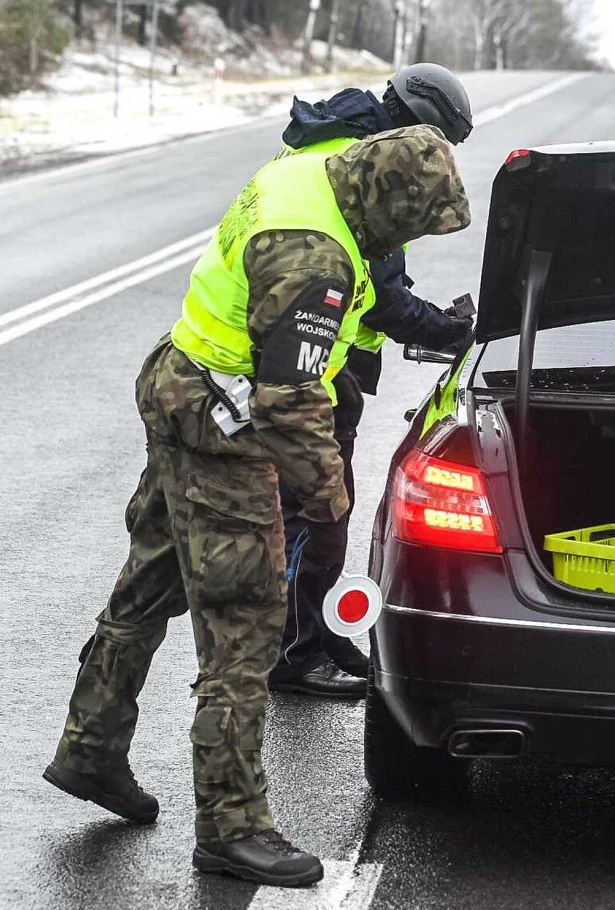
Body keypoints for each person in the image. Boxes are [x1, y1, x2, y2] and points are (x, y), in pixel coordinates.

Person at [44, 125, 471, 888]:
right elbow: (288, 399)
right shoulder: (315, 259)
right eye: (411, 222)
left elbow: (361, 306)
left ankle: (91, 749)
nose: (409, 237)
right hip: (226, 428)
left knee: (147, 587)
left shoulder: (311, 168)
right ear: (385, 198)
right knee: (245, 629)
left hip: (180, 381)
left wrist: (436, 324)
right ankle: (232, 827)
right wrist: (329, 491)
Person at [267, 63, 477, 698]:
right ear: (417, 123)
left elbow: (376, 281)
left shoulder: (337, 139)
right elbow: (382, 296)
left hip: (324, 353)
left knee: (311, 511)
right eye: (438, 140)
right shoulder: (368, 170)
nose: (434, 159)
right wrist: (449, 331)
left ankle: (313, 630)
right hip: (309, 366)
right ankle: (294, 654)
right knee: (316, 513)